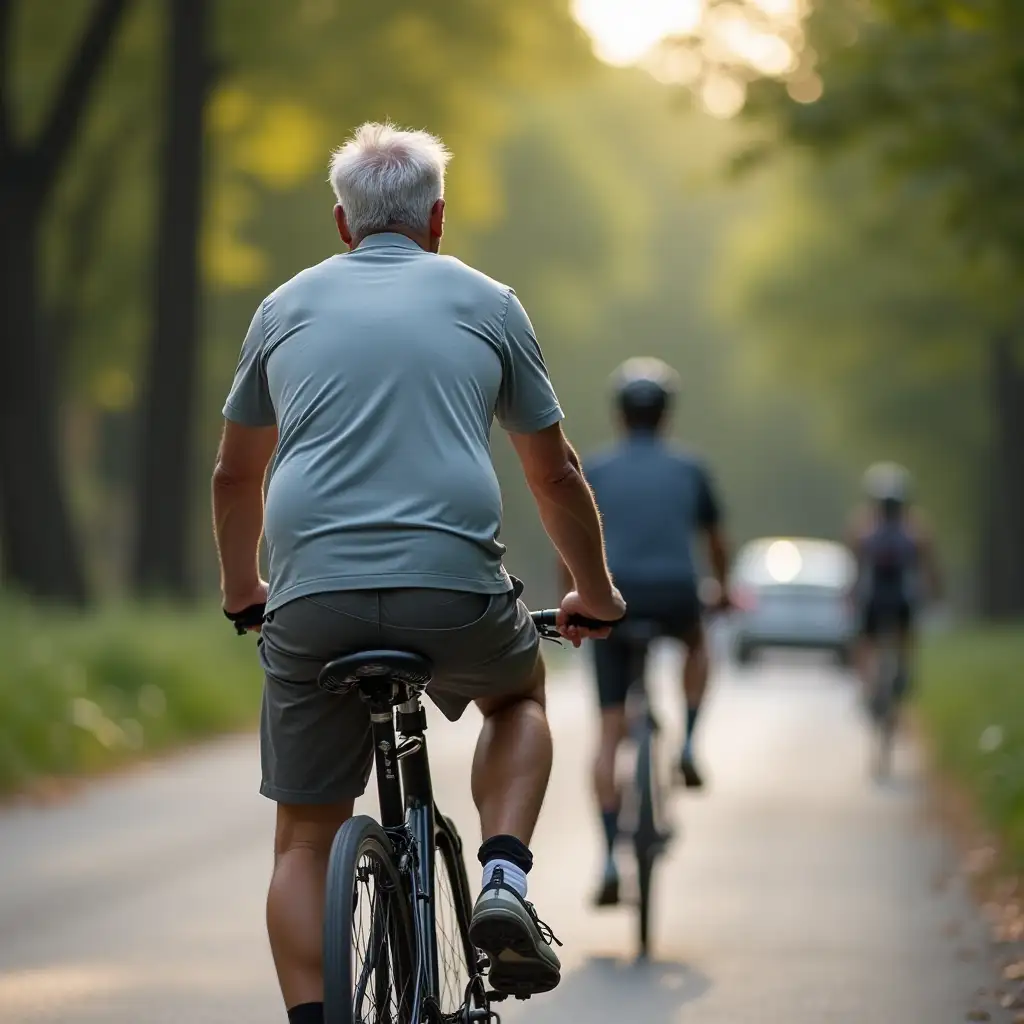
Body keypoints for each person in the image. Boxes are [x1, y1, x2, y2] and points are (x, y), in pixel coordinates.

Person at [211, 122, 625, 1024]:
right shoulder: (488, 302)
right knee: (518, 699)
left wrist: (244, 589)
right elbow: (553, 474)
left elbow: (235, 475)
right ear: (438, 218)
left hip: (311, 595)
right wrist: (594, 593)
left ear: (340, 222)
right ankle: (504, 875)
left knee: (303, 839)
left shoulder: (282, 309)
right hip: (454, 590)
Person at [564, 357, 730, 907]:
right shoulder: (690, 468)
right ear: (665, 416)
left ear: (619, 414)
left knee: (610, 733)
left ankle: (611, 855)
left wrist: (575, 596)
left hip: (611, 596)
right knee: (698, 641)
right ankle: (686, 740)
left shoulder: (597, 469)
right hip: (676, 593)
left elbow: (571, 537)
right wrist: (723, 588)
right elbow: (715, 540)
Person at [846, 462, 942, 708]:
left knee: (865, 640)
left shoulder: (863, 525)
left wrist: (851, 591)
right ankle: (903, 674)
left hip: (874, 595)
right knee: (907, 635)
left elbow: (855, 562)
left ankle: (868, 687)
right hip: (902, 596)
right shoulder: (916, 527)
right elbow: (928, 564)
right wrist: (934, 590)